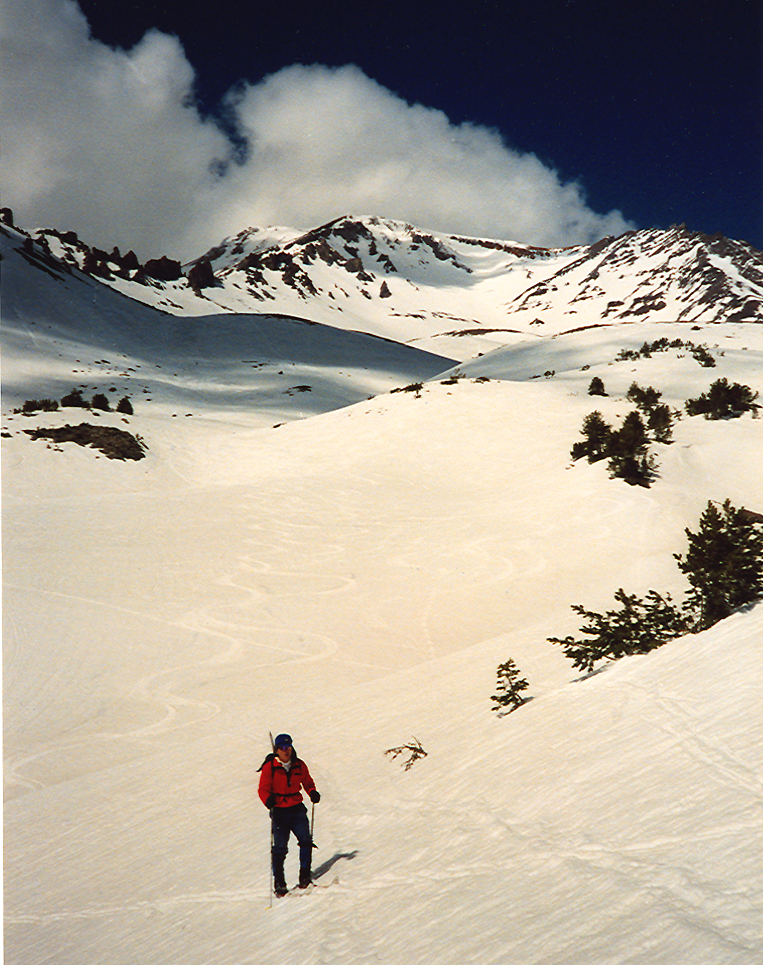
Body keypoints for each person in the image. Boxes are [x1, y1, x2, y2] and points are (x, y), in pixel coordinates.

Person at [258, 733, 320, 895]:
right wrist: (268, 800)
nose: (286, 750)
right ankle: (279, 883)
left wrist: (312, 792)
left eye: (288, 747)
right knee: (280, 847)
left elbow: (307, 781)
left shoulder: (299, 765)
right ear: (277, 750)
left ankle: (305, 876)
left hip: (296, 808)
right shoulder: (270, 767)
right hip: (279, 811)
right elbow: (263, 789)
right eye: (282, 748)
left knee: (306, 841)